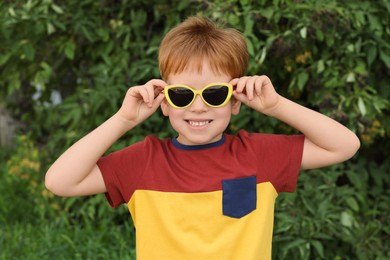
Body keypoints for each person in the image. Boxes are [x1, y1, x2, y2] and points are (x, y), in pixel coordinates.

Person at [45, 16, 360, 259]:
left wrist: (276, 106)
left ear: (235, 100)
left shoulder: (258, 155)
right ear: (164, 102)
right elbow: (60, 182)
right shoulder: (144, 161)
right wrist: (122, 120)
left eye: (214, 93)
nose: (197, 106)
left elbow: (345, 145)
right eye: (182, 94)